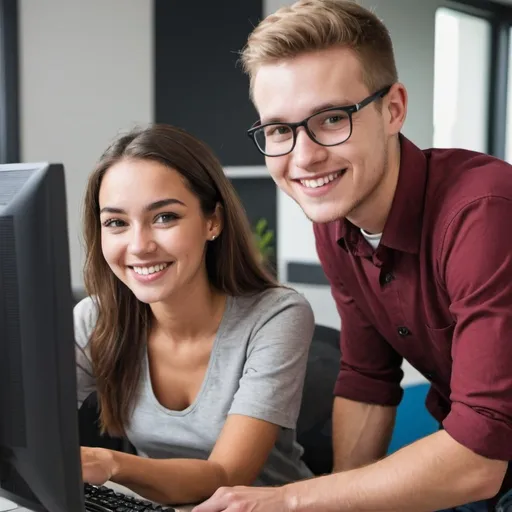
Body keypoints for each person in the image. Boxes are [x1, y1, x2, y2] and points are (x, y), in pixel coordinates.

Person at [192, 1, 512, 511]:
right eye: (279, 130)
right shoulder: (338, 224)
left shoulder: (485, 211)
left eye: (332, 118)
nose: (303, 157)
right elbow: (367, 381)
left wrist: (291, 501)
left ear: (394, 109)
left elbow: (480, 452)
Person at [74, 124, 315, 506]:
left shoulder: (277, 315)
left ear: (212, 221)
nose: (139, 246)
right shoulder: (97, 318)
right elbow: (28, 427)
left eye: (165, 217)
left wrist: (111, 463)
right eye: (116, 223)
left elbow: (226, 475)